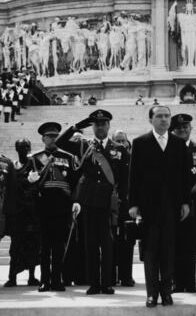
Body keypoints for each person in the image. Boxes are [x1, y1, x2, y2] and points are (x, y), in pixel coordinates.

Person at [55, 109, 129, 295]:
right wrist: (77, 127)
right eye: (96, 124)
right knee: (90, 243)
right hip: (88, 201)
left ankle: (107, 282)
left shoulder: (118, 149)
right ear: (93, 127)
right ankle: (94, 283)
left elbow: (126, 177)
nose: (100, 127)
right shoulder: (83, 146)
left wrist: (124, 200)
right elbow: (59, 143)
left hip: (109, 203)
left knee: (108, 244)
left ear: (109, 125)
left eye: (103, 124)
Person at [128, 105, 190, 308]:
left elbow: (184, 177)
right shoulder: (140, 143)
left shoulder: (179, 144)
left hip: (172, 206)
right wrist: (133, 204)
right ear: (151, 120)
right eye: (159, 116)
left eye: (166, 116)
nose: (164, 119)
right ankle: (151, 293)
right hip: (148, 206)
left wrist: (185, 202)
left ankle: (166, 292)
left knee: (169, 250)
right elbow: (134, 176)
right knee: (151, 251)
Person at [28, 122, 79, 292]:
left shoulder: (68, 157)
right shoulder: (35, 158)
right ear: (43, 138)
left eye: (55, 136)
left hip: (62, 206)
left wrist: (74, 202)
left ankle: (57, 279)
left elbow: (74, 182)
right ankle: (44, 280)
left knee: (58, 245)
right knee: (44, 246)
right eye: (49, 136)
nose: (53, 139)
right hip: (43, 205)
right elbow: (26, 185)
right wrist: (31, 182)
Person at [171, 113, 196, 293]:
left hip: (195, 204)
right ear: (173, 131)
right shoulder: (167, 149)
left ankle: (190, 281)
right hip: (174, 203)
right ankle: (175, 281)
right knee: (174, 243)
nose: (183, 130)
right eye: (179, 128)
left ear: (191, 129)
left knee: (192, 243)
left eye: (186, 127)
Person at [5, 139, 40, 287]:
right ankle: (12, 277)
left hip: (31, 213)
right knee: (15, 247)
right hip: (17, 214)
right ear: (16, 149)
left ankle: (32, 277)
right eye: (20, 147)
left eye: (26, 147)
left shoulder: (33, 164)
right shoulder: (12, 166)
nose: (23, 149)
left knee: (32, 246)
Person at [112, 130, 134, 287]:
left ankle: (126, 276)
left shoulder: (135, 159)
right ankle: (112, 275)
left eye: (123, 140)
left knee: (128, 242)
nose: (121, 143)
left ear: (128, 143)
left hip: (128, 206)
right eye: (117, 140)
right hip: (111, 205)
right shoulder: (109, 160)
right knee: (111, 242)